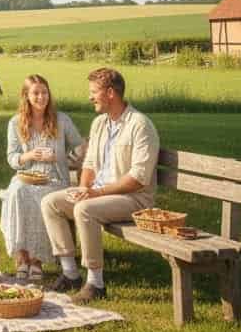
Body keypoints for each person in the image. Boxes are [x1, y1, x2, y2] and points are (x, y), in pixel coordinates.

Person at [41, 67, 160, 303]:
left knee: (84, 210)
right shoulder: (100, 123)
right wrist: (83, 188)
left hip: (134, 198)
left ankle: (96, 283)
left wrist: (95, 193)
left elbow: (138, 178)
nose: (90, 97)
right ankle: (71, 274)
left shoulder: (140, 125)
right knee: (51, 202)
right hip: (99, 194)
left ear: (111, 93)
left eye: (94, 92)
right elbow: (91, 163)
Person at [0, 75, 84, 281]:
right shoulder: (15, 123)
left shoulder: (61, 119)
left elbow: (81, 146)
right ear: (26, 96)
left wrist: (63, 157)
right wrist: (30, 155)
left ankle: (37, 260)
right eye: (35, 93)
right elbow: (12, 158)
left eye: (44, 92)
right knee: (17, 192)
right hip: (27, 176)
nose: (41, 97)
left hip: (55, 178)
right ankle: (21, 257)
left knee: (42, 196)